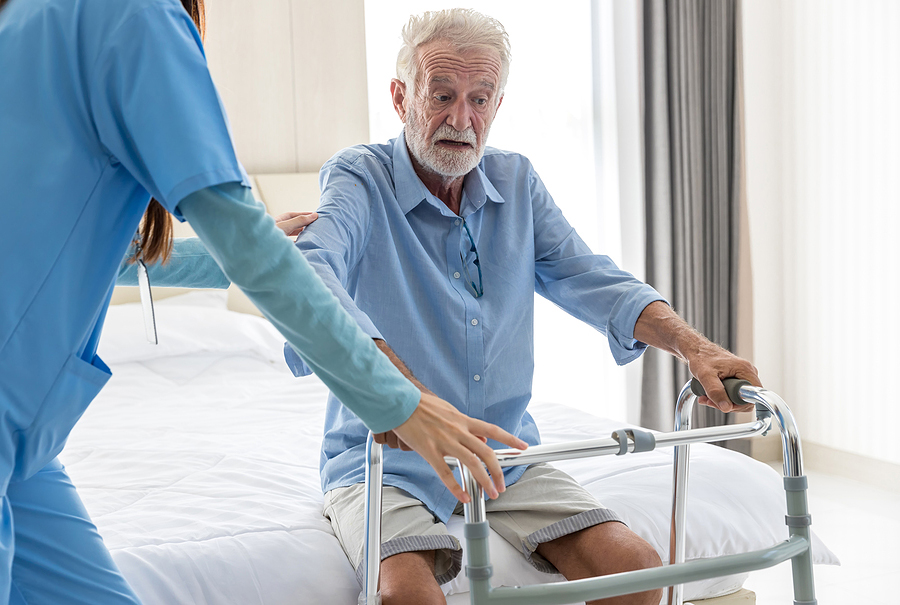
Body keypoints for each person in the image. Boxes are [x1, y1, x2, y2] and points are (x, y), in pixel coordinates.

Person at [0, 1, 523, 603]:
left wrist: (244, 248)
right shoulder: (133, 15)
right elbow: (242, 240)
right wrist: (399, 401)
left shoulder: (38, 16)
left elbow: (102, 247)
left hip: (27, 455)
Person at [284, 9, 762, 605]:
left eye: (479, 99)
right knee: (406, 596)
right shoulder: (359, 177)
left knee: (638, 572)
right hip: (383, 459)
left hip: (502, 456)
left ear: (498, 105)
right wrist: (395, 392)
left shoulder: (516, 182)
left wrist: (698, 347)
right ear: (401, 95)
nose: (461, 118)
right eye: (442, 95)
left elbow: (589, 275)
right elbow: (305, 270)